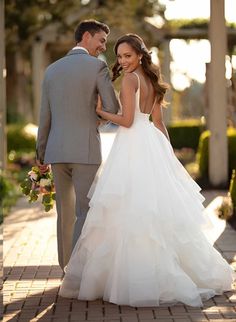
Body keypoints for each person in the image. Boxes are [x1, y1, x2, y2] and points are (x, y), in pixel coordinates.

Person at [59, 34, 235, 307]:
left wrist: (102, 113)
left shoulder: (130, 80)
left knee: (130, 208)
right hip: (151, 143)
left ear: (140, 55)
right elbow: (158, 123)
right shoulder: (152, 80)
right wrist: (168, 154)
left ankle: (137, 278)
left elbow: (127, 122)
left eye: (127, 55)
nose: (123, 61)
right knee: (153, 210)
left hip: (132, 146)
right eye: (119, 56)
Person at [36, 20, 119, 270]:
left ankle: (65, 267)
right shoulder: (97, 67)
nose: (103, 46)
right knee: (85, 210)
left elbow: (45, 117)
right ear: (86, 37)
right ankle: (77, 270)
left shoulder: (51, 70)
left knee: (65, 213)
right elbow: (112, 109)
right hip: (85, 150)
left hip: (56, 152)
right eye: (101, 40)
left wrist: (41, 153)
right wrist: (94, 124)